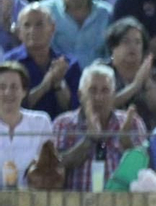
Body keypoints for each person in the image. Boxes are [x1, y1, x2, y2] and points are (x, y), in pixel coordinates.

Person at [52, 63, 149, 191]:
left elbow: (144, 173)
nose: (99, 97)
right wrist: (89, 140)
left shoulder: (132, 123)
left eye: (105, 90)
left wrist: (128, 146)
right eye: (92, 90)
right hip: (76, 205)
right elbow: (55, 167)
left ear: (114, 94)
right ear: (80, 95)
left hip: (120, 205)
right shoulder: (64, 123)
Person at [5, 3, 83, 121]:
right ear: (19, 32)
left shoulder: (69, 64)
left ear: (52, 28)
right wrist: (45, 85)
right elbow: (11, 107)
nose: (33, 30)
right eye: (27, 25)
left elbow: (73, 109)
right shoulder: (9, 64)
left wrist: (58, 82)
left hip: (60, 132)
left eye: (39, 24)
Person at [40, 0, 112, 72]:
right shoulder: (44, 12)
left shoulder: (107, 13)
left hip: (97, 82)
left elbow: (112, 53)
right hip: (55, 79)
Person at [0, 61, 55, 188]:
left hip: (32, 201)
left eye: (14, 87)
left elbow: (49, 169)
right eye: (2, 87)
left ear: (24, 91)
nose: (8, 92)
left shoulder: (41, 122)